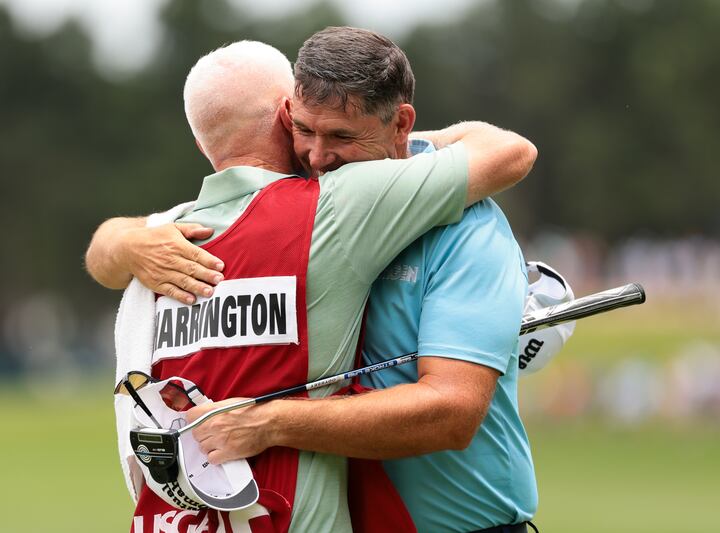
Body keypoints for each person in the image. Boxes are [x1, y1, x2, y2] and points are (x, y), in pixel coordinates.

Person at [86, 38, 536, 533]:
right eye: (303, 129)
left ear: (400, 125)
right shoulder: (298, 204)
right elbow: (107, 251)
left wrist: (268, 422)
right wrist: (128, 244)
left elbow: (452, 412)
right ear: (285, 115)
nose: (318, 156)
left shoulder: (452, 222)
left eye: (341, 136)